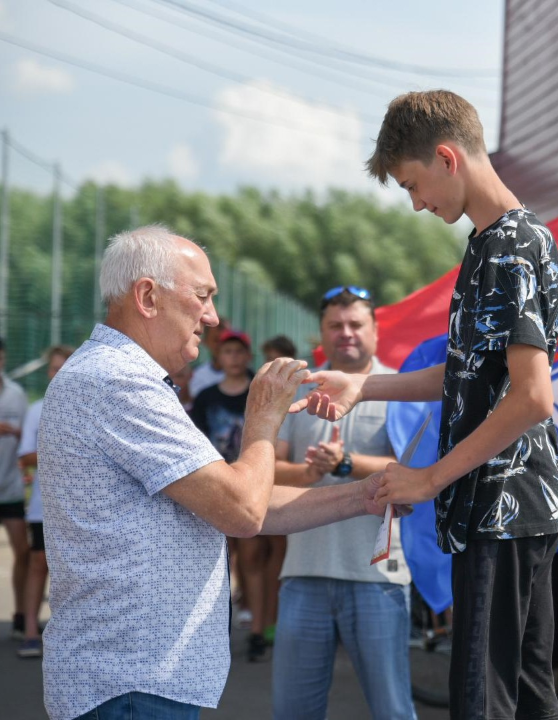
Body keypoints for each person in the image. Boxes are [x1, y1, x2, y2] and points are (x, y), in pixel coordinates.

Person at [38, 225, 400, 720]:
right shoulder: (117, 382)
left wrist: (366, 495)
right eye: (202, 296)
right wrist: (262, 422)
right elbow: (242, 509)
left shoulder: (119, 378)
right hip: (130, 683)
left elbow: (233, 496)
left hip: (133, 678)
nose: (210, 317)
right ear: (147, 296)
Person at [294, 90, 558, 720]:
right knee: (526, 695)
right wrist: (364, 384)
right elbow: (468, 372)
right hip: (515, 509)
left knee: (484, 702)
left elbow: (532, 397)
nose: (416, 204)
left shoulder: (507, 248)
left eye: (414, 185)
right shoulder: (494, 242)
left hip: (502, 508)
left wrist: (430, 477)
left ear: (448, 157)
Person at [272, 286, 415, 720]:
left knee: (393, 711)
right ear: (321, 332)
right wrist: (308, 474)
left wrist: (349, 463)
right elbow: (264, 469)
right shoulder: (299, 387)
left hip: (379, 575)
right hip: (302, 573)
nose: (346, 333)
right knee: (292, 712)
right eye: (335, 325)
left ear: (375, 330)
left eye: (356, 324)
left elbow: (420, 471)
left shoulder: (401, 387)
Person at [191, 329, 280, 662]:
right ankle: (213, 633)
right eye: (226, 352)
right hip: (213, 490)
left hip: (249, 486)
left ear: (247, 355)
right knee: (215, 565)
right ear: (219, 356)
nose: (233, 358)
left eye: (238, 351)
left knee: (252, 561)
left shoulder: (259, 393)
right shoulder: (206, 397)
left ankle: (257, 630)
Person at [15, 344, 74, 659]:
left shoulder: (87, 404)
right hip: (44, 505)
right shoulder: (37, 409)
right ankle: (30, 632)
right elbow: (25, 456)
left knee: (76, 569)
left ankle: (71, 634)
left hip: (81, 507)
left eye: (65, 367)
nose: (58, 374)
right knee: (38, 563)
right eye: (53, 368)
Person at [0, 336, 29, 641]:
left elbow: (27, 441)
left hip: (9, 487)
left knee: (22, 551)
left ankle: (21, 613)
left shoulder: (16, 395)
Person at [188, 317, 229, 397]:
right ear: (205, 342)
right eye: (216, 340)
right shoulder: (196, 376)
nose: (222, 345)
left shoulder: (249, 378)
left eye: (227, 340)